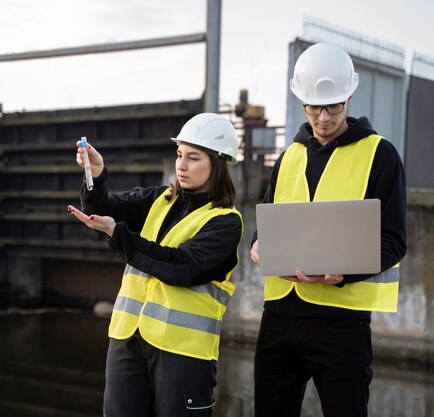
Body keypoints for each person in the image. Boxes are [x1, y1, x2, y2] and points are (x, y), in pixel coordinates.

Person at [250, 42, 407, 417]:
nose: (323, 117)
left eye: (333, 106)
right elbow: (269, 222)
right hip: (280, 317)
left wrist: (346, 272)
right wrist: (259, 244)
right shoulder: (288, 156)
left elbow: (395, 240)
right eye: (314, 106)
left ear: (349, 97)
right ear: (301, 102)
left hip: (342, 323)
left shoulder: (380, 155)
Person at [67, 113, 243, 417]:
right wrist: (94, 175)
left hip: (183, 354)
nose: (182, 165)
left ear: (218, 163)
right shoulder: (158, 199)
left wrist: (117, 233)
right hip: (127, 341)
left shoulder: (225, 222)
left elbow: (181, 267)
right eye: (179, 155)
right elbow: (105, 209)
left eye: (194, 157)